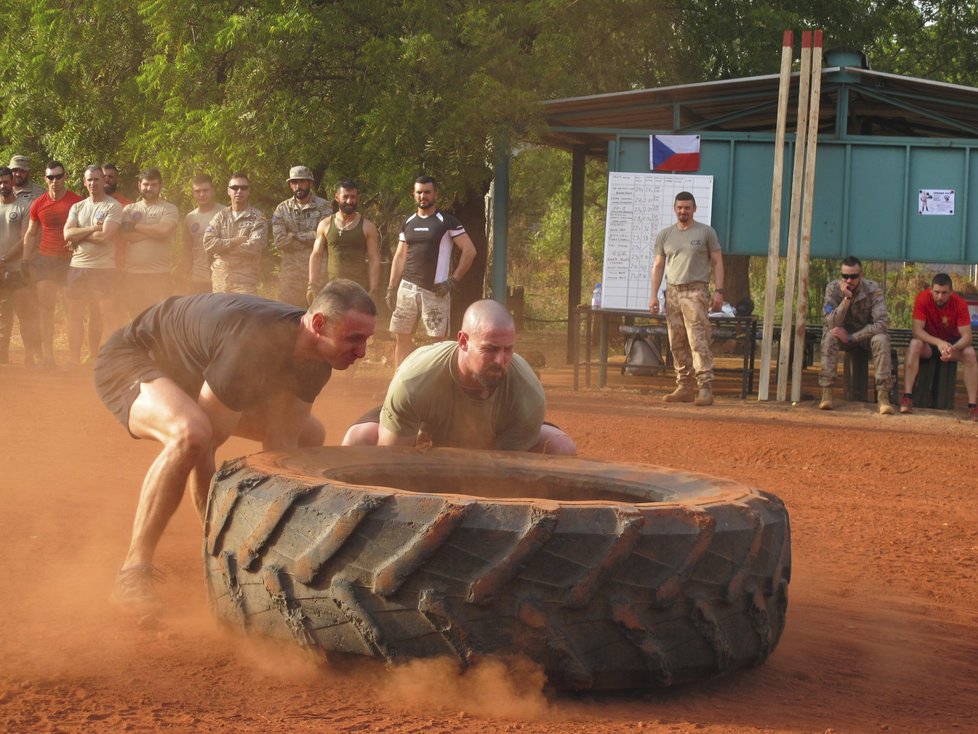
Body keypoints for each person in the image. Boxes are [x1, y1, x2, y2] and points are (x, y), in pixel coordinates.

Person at [94, 279, 377, 610]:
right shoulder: (249, 346)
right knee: (192, 435)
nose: (362, 352)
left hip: (197, 374)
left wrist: (276, 543)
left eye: (366, 340)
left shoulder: (316, 359)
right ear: (318, 324)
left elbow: (281, 445)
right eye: (354, 339)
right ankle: (134, 569)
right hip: (134, 358)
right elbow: (206, 449)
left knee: (308, 437)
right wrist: (221, 546)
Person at [343, 298, 576, 455]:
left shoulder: (527, 391)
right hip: (420, 432)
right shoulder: (415, 379)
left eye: (508, 349)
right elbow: (393, 461)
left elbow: (504, 471)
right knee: (358, 439)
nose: (501, 360)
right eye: (490, 349)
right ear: (463, 341)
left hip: (493, 441)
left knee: (560, 446)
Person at [387, 175, 476, 368]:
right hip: (407, 289)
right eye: (419, 192)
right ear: (414, 194)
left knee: (438, 343)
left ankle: (437, 385)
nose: (423, 196)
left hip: (436, 290)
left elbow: (470, 251)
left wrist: (453, 280)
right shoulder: (408, 222)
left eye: (427, 192)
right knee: (401, 338)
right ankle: (398, 384)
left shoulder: (447, 222)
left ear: (436, 194)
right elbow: (400, 256)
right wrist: (391, 287)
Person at [648, 191, 725, 406]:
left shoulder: (705, 232)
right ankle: (684, 386)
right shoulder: (665, 235)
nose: (683, 211)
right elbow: (659, 266)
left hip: (696, 291)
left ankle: (705, 387)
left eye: (687, 207)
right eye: (680, 207)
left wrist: (719, 290)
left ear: (694, 209)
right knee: (676, 340)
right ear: (675, 209)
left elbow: (718, 262)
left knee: (697, 339)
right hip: (672, 291)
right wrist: (654, 295)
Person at [23, 160, 84, 368]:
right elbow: (31, 234)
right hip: (46, 260)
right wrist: (24, 259)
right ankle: (48, 358)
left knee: (73, 310)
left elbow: (84, 229)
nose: (55, 181)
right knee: (45, 310)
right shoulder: (38, 203)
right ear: (45, 179)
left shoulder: (77, 202)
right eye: (51, 177)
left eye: (59, 176)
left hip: (70, 261)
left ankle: (73, 359)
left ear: (65, 177)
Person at [817, 256, 895, 414]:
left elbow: (881, 323)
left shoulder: (873, 289)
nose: (849, 280)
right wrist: (846, 299)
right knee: (830, 337)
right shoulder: (833, 288)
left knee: (881, 339)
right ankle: (827, 394)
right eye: (845, 276)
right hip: (842, 337)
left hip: (865, 336)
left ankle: (883, 398)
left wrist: (853, 337)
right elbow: (831, 322)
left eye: (853, 276)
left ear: (861, 275)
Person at [64, 165, 124, 366]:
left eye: (97, 179)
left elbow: (106, 236)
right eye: (89, 180)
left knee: (107, 316)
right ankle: (73, 361)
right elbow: (67, 234)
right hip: (77, 266)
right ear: (84, 182)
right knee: (74, 315)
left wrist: (79, 233)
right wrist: (92, 228)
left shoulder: (113, 206)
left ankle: (108, 363)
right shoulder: (77, 207)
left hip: (103, 269)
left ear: (103, 181)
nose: (93, 183)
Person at [901, 273, 978, 420]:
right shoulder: (922, 298)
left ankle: (973, 406)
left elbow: (967, 337)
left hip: (952, 346)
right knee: (914, 344)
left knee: (970, 354)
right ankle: (907, 397)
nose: (940, 297)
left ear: (951, 292)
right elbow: (917, 331)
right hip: (929, 344)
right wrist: (938, 342)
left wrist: (952, 348)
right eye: (936, 292)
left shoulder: (960, 304)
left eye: (944, 293)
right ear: (931, 290)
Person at [307, 179, 381, 304]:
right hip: (332, 289)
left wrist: (374, 290)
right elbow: (316, 255)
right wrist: (312, 285)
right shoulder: (325, 225)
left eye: (353, 197)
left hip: (358, 291)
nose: (349, 201)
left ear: (357, 198)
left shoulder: (368, 227)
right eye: (345, 196)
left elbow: (374, 259)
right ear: (337, 197)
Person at [120, 168, 179, 316]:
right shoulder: (129, 209)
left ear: (160, 186)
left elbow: (164, 231)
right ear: (139, 185)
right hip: (132, 273)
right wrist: (154, 232)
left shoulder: (169, 208)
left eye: (153, 185)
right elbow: (124, 234)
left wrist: (135, 226)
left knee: (160, 317)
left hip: (160, 273)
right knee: (135, 317)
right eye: (146, 184)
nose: (149, 188)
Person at [271, 166, 332, 307]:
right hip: (290, 276)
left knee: (318, 317)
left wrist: (293, 235)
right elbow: (280, 241)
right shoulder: (281, 209)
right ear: (290, 185)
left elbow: (324, 238)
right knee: (287, 318)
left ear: (310, 183)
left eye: (302, 182)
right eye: (294, 182)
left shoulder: (324, 207)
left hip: (318, 276)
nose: (298, 186)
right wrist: (311, 238)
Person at [0, 167, 40, 365]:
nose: (3, 185)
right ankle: (3, 358)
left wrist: (3, 259)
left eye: (6, 182)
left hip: (17, 270)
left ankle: (30, 356)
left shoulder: (23, 206)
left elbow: (25, 238)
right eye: (0, 182)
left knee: (26, 314)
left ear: (12, 183)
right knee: (2, 316)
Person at [203, 172, 266, 295]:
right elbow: (207, 243)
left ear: (248, 191)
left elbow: (255, 246)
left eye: (243, 188)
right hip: (220, 281)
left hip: (245, 282)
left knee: (245, 314)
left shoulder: (258, 217)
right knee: (219, 314)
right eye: (235, 188)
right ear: (228, 191)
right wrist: (234, 241)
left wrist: (221, 248)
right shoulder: (220, 216)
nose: (239, 191)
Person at [180, 174, 224, 294]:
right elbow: (187, 249)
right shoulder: (190, 218)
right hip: (197, 278)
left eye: (205, 190)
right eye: (197, 191)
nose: (202, 194)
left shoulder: (225, 213)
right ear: (193, 193)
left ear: (212, 191)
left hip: (221, 276)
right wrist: (184, 274)